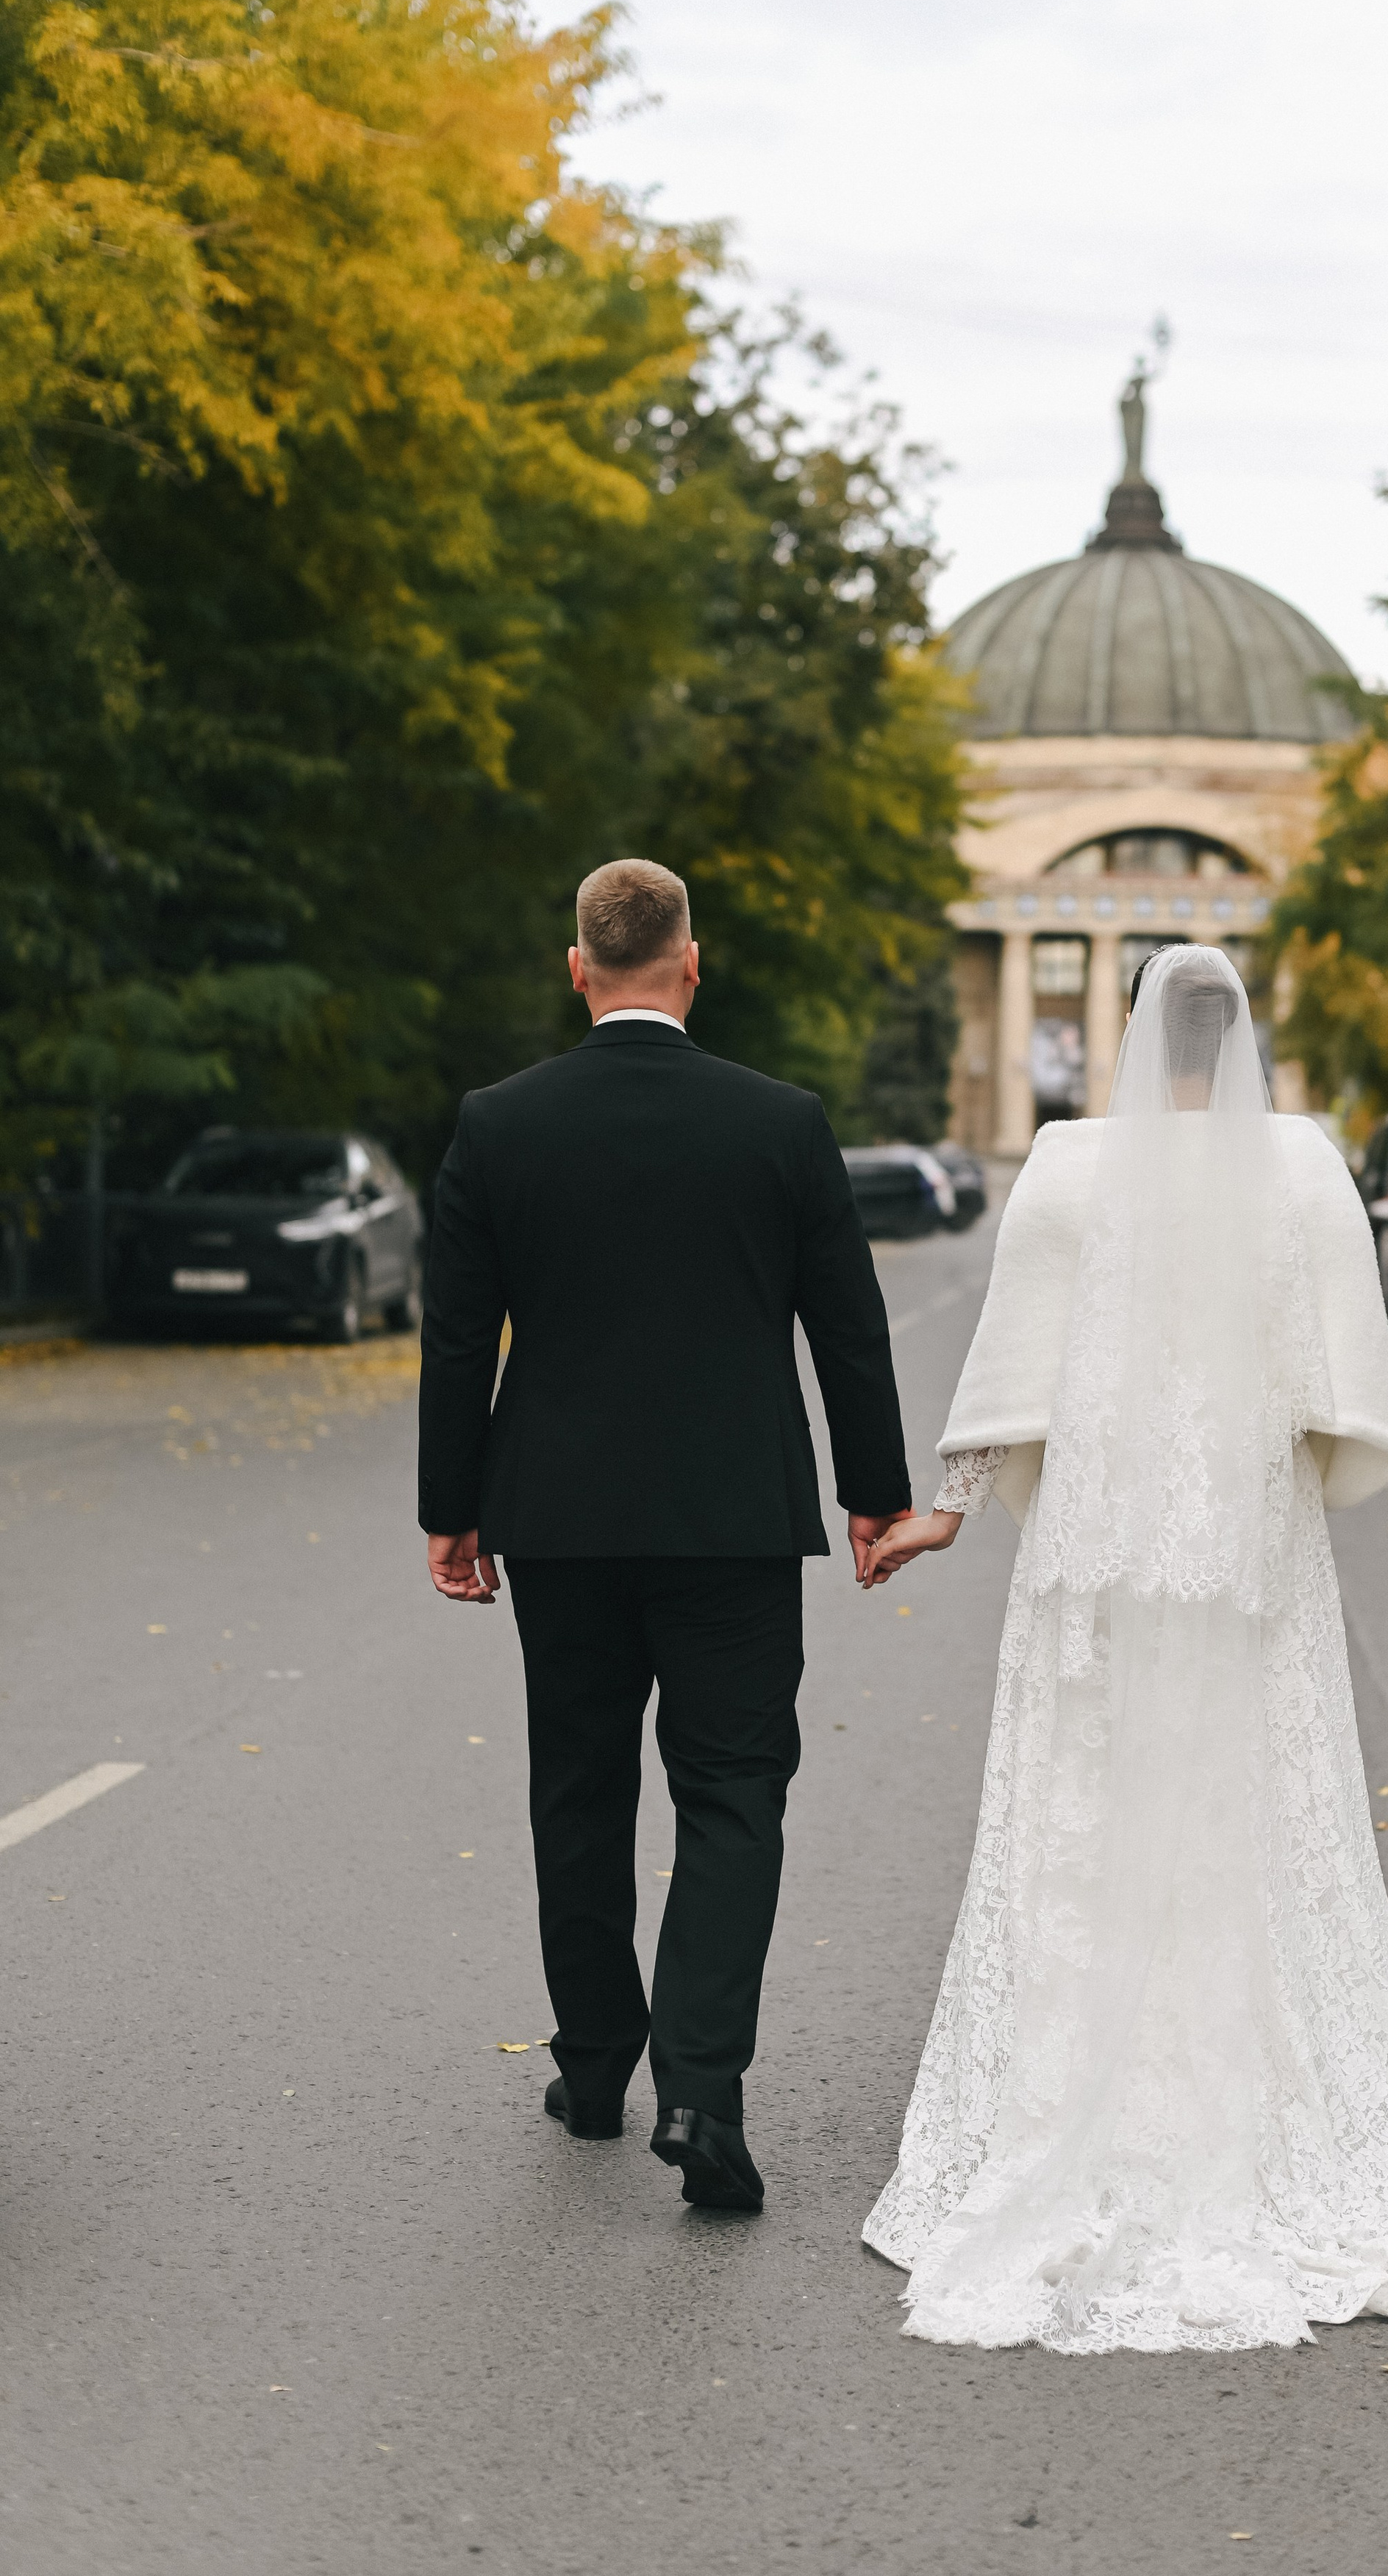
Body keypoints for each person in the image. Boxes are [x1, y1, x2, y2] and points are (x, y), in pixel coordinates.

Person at [857, 945, 1388, 2352]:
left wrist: (945, 1515)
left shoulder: (1064, 1166)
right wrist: (1265, 1470)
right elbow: (1339, 1389)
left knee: (1083, 1818)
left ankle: (1075, 2126)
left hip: (1094, 1557)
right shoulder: (1303, 1170)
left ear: (1130, 1032)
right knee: (1248, 1814)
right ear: (1244, 1035)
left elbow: (1017, 1366)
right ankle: (1251, 2112)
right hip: (1247, 1550)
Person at [418, 858, 912, 2212]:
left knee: (578, 1787)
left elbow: (461, 1337)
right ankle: (702, 2091)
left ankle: (591, 2072)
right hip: (734, 1522)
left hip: (560, 1521)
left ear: (578, 969)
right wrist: (875, 1491)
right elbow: (846, 1325)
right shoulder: (780, 1123)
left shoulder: (499, 1125)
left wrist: (449, 1511)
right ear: (692, 966)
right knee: (734, 1791)